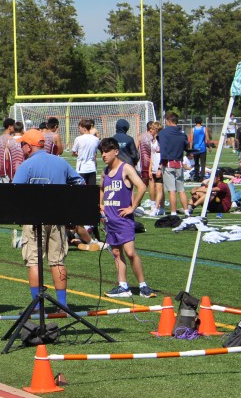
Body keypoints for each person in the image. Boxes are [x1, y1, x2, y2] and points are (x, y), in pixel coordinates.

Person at [13, 128, 85, 308]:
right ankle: (63, 305)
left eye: (22, 145)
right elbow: (80, 183)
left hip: (33, 219)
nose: (21, 148)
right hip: (58, 217)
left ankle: (37, 307)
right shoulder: (60, 162)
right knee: (58, 261)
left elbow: (14, 192)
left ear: (28, 146)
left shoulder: (27, 165)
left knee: (34, 261)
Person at [98, 137, 155, 299]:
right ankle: (123, 286)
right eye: (102, 152)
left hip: (123, 219)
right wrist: (100, 205)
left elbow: (142, 186)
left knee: (130, 252)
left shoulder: (126, 168)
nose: (104, 155)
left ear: (116, 151)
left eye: (107, 151)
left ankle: (143, 285)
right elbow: (101, 189)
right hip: (109, 220)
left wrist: (133, 207)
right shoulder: (105, 172)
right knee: (116, 252)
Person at [158, 112, 191, 217]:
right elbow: (187, 147)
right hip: (179, 163)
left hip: (168, 163)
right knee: (181, 190)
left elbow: (162, 149)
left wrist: (160, 165)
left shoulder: (163, 133)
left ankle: (173, 213)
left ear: (168, 120)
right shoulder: (182, 133)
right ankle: (186, 211)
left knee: (171, 190)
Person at [71, 118, 100, 186]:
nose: (79, 130)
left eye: (79, 128)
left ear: (84, 128)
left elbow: (73, 153)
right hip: (92, 168)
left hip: (81, 168)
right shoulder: (96, 139)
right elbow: (95, 153)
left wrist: (79, 154)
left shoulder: (78, 139)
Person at [189, 117, 211, 182]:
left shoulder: (193, 129)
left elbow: (191, 140)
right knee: (203, 163)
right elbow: (207, 139)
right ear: (201, 122)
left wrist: (190, 149)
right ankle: (202, 177)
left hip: (195, 148)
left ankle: (196, 177)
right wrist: (209, 146)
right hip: (202, 148)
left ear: (195, 122)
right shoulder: (204, 129)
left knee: (196, 163)